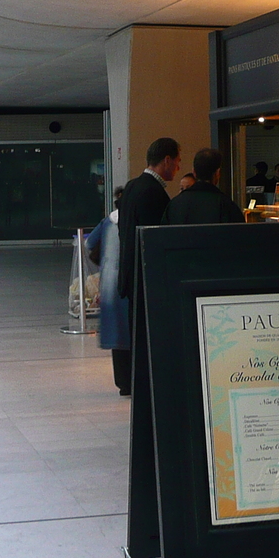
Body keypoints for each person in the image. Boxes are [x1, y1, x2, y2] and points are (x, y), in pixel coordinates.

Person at [114, 137, 181, 395]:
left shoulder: (132, 187)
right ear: (166, 160)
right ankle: (149, 386)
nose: (177, 166)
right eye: (176, 161)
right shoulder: (153, 192)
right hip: (146, 278)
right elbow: (156, 240)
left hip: (130, 275)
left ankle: (138, 383)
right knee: (148, 337)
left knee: (137, 334)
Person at [87, 185, 128, 382]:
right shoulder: (133, 220)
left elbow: (89, 243)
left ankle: (121, 381)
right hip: (128, 282)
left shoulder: (108, 221)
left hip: (109, 284)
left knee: (116, 334)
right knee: (131, 332)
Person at [161, 148, 243, 224]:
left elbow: (163, 236)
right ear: (217, 173)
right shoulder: (227, 206)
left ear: (194, 172)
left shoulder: (175, 204)